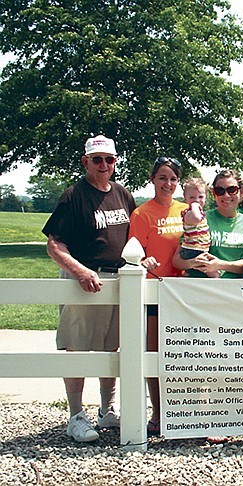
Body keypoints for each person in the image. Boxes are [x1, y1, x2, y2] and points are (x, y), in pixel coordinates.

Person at [42, 135, 136, 442]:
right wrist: (79, 270)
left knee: (111, 347)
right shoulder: (74, 196)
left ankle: (106, 410)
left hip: (118, 281)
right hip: (84, 282)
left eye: (109, 159)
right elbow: (54, 245)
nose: (104, 165)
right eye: (97, 160)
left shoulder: (122, 194)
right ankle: (75, 416)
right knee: (78, 348)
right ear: (86, 162)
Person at [128, 156, 188, 437]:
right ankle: (158, 412)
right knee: (154, 353)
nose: (168, 184)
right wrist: (144, 262)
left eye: (173, 179)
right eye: (162, 178)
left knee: (183, 355)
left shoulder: (187, 210)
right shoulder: (142, 214)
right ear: (153, 180)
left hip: (183, 293)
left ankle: (184, 412)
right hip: (154, 292)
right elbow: (133, 255)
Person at [173, 169, 243, 279]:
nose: (226, 195)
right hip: (200, 287)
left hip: (235, 289)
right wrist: (194, 263)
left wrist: (220, 265)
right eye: (220, 191)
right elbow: (177, 260)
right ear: (214, 194)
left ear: (241, 191)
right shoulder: (199, 219)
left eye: (231, 190)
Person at [179, 177, 218, 278]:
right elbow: (196, 219)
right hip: (193, 250)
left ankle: (188, 273)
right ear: (185, 199)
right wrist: (195, 206)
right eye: (192, 198)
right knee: (215, 274)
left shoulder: (199, 213)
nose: (197, 200)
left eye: (200, 197)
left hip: (199, 249)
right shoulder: (189, 214)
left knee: (197, 271)